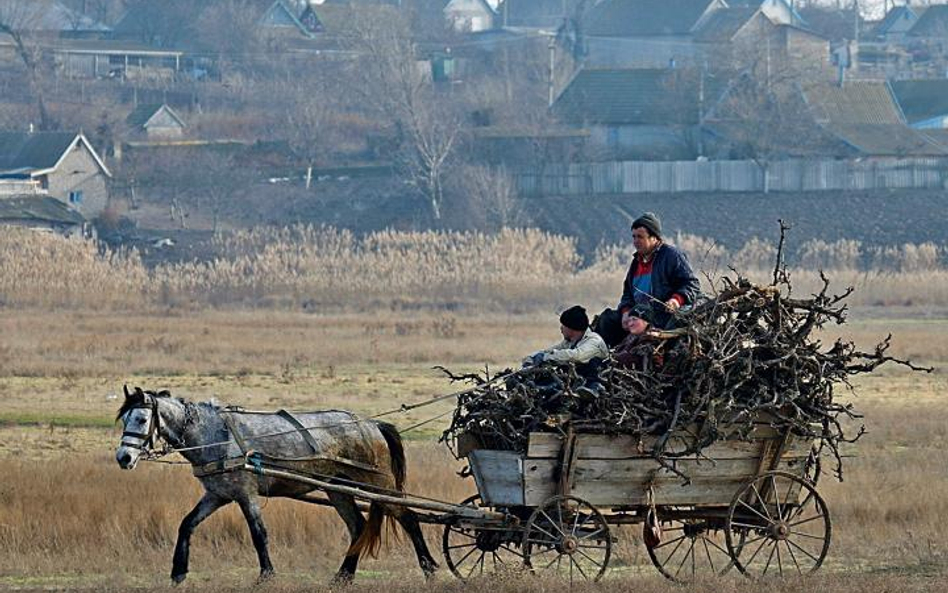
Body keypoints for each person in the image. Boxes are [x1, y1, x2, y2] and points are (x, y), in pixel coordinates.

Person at [618, 212, 700, 331]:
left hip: (662, 315)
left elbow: (691, 284)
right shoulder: (636, 263)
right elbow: (627, 293)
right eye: (634, 237)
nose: (635, 241)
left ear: (654, 238)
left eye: (640, 237)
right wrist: (625, 311)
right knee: (608, 319)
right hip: (638, 316)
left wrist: (676, 300)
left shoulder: (671, 256)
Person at [524, 305, 609, 393]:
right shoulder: (570, 342)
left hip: (590, 378)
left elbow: (576, 356)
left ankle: (594, 388)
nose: (561, 328)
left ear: (572, 329)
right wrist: (532, 358)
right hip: (574, 379)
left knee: (592, 362)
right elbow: (552, 350)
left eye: (563, 326)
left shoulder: (594, 340)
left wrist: (546, 357)